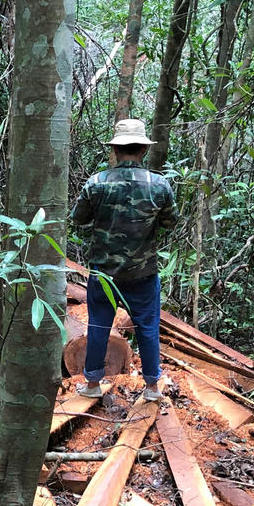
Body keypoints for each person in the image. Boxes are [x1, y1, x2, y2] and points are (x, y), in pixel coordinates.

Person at [71, 118, 177, 407]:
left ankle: (92, 383)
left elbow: (78, 219)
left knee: (99, 327)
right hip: (143, 274)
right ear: (143, 149)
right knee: (147, 328)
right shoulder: (160, 186)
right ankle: (152, 387)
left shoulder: (96, 183)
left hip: (104, 274)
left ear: (116, 151)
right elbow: (170, 223)